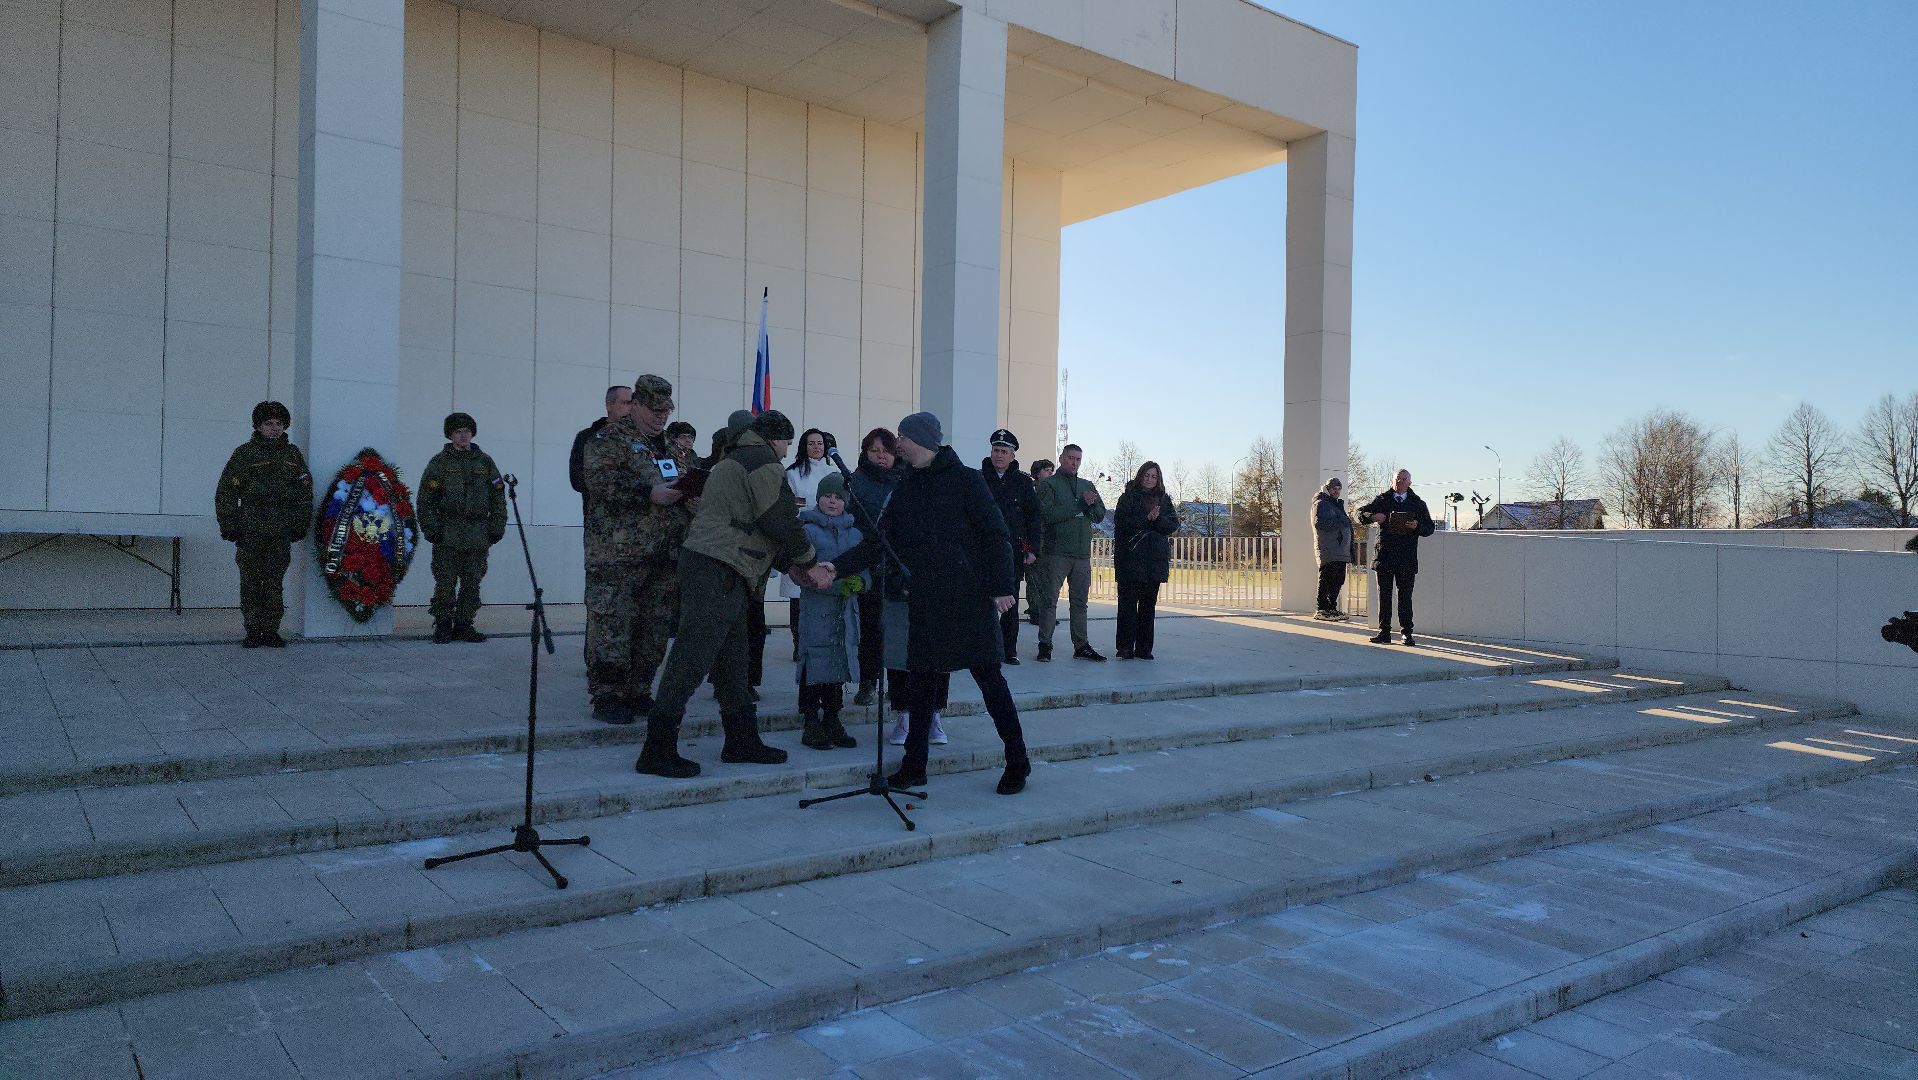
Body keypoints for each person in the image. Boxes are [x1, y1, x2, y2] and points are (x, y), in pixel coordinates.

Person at [832, 412, 1031, 795]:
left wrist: (1002, 586)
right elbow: (879, 540)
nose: (898, 444)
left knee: (991, 682)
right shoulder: (906, 485)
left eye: (902, 437)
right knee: (920, 686)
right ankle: (914, 765)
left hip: (969, 601)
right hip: (925, 600)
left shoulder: (966, 480)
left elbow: (995, 535)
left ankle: (1017, 761)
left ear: (920, 440)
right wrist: (835, 568)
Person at [637, 410, 829, 778]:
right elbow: (779, 519)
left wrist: (790, 563)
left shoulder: (734, 457)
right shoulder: (764, 463)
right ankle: (657, 748)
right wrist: (808, 560)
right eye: (788, 444)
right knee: (691, 658)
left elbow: (755, 521)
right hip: (719, 567)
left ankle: (741, 740)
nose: (788, 453)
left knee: (732, 661)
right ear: (776, 440)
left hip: (720, 566)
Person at [582, 375, 696, 724]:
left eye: (667, 411)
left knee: (654, 628)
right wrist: (648, 493)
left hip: (664, 555)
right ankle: (608, 695)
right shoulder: (609, 439)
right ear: (637, 405)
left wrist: (693, 498)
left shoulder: (672, 449)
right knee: (613, 624)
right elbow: (599, 482)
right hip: (618, 556)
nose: (662, 417)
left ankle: (639, 690)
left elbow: (684, 481)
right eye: (656, 410)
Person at [215, 401, 312, 648]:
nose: (274, 428)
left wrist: (300, 524)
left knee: (274, 582)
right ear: (258, 426)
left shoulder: (292, 456)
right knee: (250, 581)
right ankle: (252, 630)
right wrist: (229, 525)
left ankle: (270, 630)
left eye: (279, 424)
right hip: (251, 531)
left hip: (280, 531)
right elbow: (226, 492)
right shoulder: (244, 454)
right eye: (268, 424)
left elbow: (304, 493)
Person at [417, 412, 508, 644]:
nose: (463, 435)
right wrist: (431, 528)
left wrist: (497, 526)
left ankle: (465, 623)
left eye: (467, 431)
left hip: (478, 532)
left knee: (472, 581)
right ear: (450, 435)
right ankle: (443, 624)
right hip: (448, 531)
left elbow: (498, 497)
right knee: (445, 581)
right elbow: (426, 499)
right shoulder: (439, 463)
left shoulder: (485, 462)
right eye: (458, 432)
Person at [795, 472, 863, 751]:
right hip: (816, 608)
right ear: (818, 498)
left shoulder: (855, 532)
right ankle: (811, 721)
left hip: (845, 611)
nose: (832, 502)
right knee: (814, 662)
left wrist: (861, 581)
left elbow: (864, 568)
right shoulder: (806, 530)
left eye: (838, 497)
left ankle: (833, 718)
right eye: (827, 496)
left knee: (838, 662)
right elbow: (801, 570)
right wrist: (828, 582)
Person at [1034, 444, 1107, 662]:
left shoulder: (1087, 484)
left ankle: (1081, 645)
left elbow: (1100, 514)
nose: (1074, 463)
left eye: (1078, 459)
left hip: (1082, 554)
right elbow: (1047, 515)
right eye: (1071, 458)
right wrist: (1080, 504)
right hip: (1056, 553)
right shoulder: (1048, 485)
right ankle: (1045, 644)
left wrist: (1090, 506)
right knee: (1049, 601)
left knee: (1080, 603)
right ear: (1061, 458)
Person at [848, 428, 902, 708]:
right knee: (869, 628)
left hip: (898, 566)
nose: (881, 457)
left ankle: (896, 684)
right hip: (868, 563)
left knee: (896, 629)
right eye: (874, 451)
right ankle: (868, 682)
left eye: (886, 451)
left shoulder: (906, 480)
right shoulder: (855, 482)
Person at [981, 429, 1040, 665]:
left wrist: (1032, 549)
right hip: (983, 551)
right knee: (983, 602)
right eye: (996, 450)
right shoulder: (978, 478)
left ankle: (1008, 650)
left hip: (1011, 552)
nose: (999, 455)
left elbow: (1033, 519)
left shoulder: (1023, 483)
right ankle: (983, 650)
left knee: (1010, 603)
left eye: (1004, 451)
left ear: (1013, 456)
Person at [1358, 469, 1435, 646]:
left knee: (1405, 597)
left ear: (1410, 482)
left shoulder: (1417, 504)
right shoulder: (1382, 500)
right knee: (1384, 596)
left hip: (1406, 558)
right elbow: (1360, 514)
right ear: (1392, 481)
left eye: (1403, 479)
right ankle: (1384, 632)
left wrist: (1417, 525)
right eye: (1397, 479)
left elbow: (1429, 528)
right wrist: (1372, 517)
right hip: (1384, 556)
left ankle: (1407, 633)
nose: (1400, 481)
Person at [1112, 461, 1178, 659]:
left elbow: (1172, 524)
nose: (1150, 479)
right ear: (1140, 475)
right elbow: (1121, 523)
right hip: (1131, 559)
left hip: (1154, 561)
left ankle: (1144, 648)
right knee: (1127, 606)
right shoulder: (1127, 498)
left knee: (1148, 608)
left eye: (1154, 476)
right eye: (1147, 475)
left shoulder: (1164, 500)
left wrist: (1157, 519)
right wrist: (1146, 518)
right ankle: (1125, 647)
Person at [781, 428, 837, 660]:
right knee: (798, 594)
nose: (816, 447)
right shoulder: (793, 473)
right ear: (803, 446)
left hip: (829, 537)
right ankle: (799, 643)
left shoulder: (834, 471)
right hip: (801, 536)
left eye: (820, 443)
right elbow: (790, 505)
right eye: (811, 443)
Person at [570, 386, 632, 518]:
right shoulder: (587, 437)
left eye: (632, 403)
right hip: (601, 522)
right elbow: (577, 479)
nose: (630, 408)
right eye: (625, 403)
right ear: (609, 405)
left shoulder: (639, 438)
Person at [1313, 477, 1355, 621]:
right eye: (1333, 489)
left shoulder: (1337, 505)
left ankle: (1331, 608)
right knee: (1327, 578)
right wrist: (1340, 521)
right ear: (1327, 489)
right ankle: (1322, 609)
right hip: (1329, 549)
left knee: (1338, 580)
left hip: (1340, 551)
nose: (1336, 491)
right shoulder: (1321, 503)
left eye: (1338, 489)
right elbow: (1320, 523)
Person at [1024, 458, 1054, 625]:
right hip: (1034, 542)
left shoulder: (1050, 490)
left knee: (1045, 580)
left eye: (1051, 470)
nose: (1050, 473)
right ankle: (1036, 611)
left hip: (1048, 542)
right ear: (1037, 473)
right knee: (1034, 579)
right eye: (1046, 470)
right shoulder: (1031, 490)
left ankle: (1042, 611)